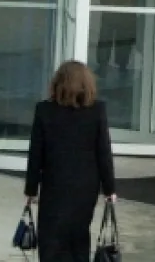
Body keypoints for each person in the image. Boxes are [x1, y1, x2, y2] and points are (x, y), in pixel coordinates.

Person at [24, 60, 118, 261]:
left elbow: (36, 154)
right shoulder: (97, 110)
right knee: (79, 234)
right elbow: (103, 152)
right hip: (86, 186)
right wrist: (109, 189)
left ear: (58, 83)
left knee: (51, 235)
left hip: (54, 185)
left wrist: (31, 189)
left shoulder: (44, 110)